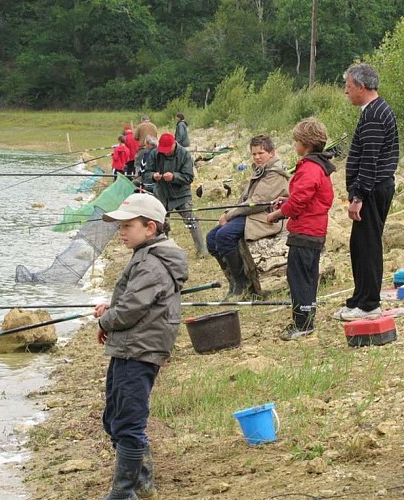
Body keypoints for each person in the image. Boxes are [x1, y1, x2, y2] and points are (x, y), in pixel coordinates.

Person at [93, 193, 188, 499]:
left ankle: (123, 493)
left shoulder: (151, 263)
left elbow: (132, 309)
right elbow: (134, 301)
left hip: (140, 349)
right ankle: (142, 483)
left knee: (128, 422)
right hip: (130, 346)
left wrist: (106, 320)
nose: (120, 232)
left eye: (127, 225)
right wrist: (111, 308)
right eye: (119, 225)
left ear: (150, 228)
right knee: (115, 418)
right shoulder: (145, 255)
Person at [333, 63, 400, 322]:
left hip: (373, 189)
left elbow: (370, 160)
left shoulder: (374, 114)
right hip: (373, 188)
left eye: (348, 87)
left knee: (368, 246)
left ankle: (370, 303)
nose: (345, 92)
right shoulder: (372, 111)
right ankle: (360, 298)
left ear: (361, 86)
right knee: (359, 245)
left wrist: (358, 196)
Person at [267, 118, 335, 340]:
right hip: (313, 231)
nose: (294, 145)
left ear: (305, 144)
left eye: (296, 141)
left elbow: (298, 203)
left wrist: (278, 213)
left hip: (305, 232)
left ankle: (302, 323)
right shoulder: (318, 167)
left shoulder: (310, 168)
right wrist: (284, 200)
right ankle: (307, 318)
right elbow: (301, 197)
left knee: (298, 277)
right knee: (307, 275)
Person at [207, 135, 289, 298]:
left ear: (271, 153)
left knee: (224, 235)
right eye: (254, 154)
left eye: (261, 153)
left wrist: (229, 215)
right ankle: (232, 280)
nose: (257, 157)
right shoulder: (261, 169)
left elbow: (258, 202)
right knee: (211, 238)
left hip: (265, 217)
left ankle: (243, 284)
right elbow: (245, 199)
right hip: (252, 213)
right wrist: (228, 212)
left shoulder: (275, 173)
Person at [143, 133, 207, 256]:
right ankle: (162, 251)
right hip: (162, 194)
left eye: (168, 150)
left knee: (191, 221)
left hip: (182, 194)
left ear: (174, 144)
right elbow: (146, 174)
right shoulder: (155, 153)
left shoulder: (184, 154)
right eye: (163, 150)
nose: (165, 153)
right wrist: (153, 176)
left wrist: (174, 177)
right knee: (162, 223)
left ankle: (202, 250)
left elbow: (189, 177)